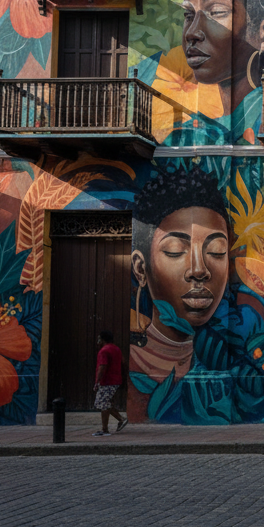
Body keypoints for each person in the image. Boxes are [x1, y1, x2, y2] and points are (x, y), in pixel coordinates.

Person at [128, 166, 231, 421]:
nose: (199, 270)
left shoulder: (213, 363)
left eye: (217, 251)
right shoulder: (134, 365)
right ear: (141, 268)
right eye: (175, 250)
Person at [94, 331, 128, 437]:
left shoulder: (104, 351)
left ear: (103, 339)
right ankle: (121, 419)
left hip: (107, 381)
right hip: (116, 380)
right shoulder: (116, 349)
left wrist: (97, 382)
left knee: (102, 403)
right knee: (105, 403)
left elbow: (102, 366)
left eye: (99, 338)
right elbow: (123, 362)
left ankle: (105, 429)